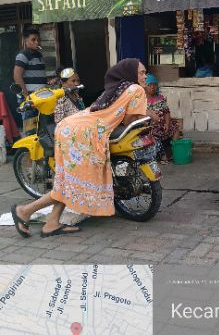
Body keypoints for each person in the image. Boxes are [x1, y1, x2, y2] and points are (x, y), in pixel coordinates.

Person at [11, 58, 148, 239]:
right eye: (142, 73)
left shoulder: (120, 87)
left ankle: (51, 222)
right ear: (130, 73)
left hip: (74, 127)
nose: (145, 76)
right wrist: (148, 114)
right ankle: (24, 211)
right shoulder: (136, 89)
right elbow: (131, 119)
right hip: (83, 133)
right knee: (70, 182)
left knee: (68, 181)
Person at [13, 28, 47, 135]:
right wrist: (26, 96)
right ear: (25, 41)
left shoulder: (39, 55)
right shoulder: (23, 56)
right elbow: (17, 76)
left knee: (41, 130)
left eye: (38, 39)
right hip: (29, 99)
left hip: (40, 98)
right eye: (33, 39)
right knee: (31, 131)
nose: (37, 42)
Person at [145, 74, 179, 164]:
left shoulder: (160, 98)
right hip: (150, 127)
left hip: (162, 125)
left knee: (175, 127)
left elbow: (166, 112)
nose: (152, 87)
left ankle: (175, 151)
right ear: (145, 86)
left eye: (154, 85)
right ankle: (162, 156)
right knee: (153, 133)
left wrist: (167, 124)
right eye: (149, 85)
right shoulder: (142, 100)